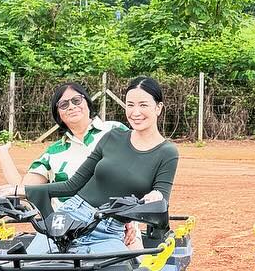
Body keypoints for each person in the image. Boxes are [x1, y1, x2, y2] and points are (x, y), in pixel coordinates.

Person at [28, 76, 178, 257]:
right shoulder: (111, 137)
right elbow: (72, 185)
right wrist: (19, 190)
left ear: (158, 108)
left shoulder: (166, 151)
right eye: (130, 105)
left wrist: (152, 200)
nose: (135, 112)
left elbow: (161, 200)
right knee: (27, 266)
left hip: (110, 228)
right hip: (71, 216)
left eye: (143, 105)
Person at [0, 80, 109, 194]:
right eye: (63, 105)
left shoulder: (114, 131)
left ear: (87, 102)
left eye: (76, 100)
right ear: (58, 114)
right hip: (66, 211)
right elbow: (23, 189)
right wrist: (3, 153)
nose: (71, 106)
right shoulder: (53, 153)